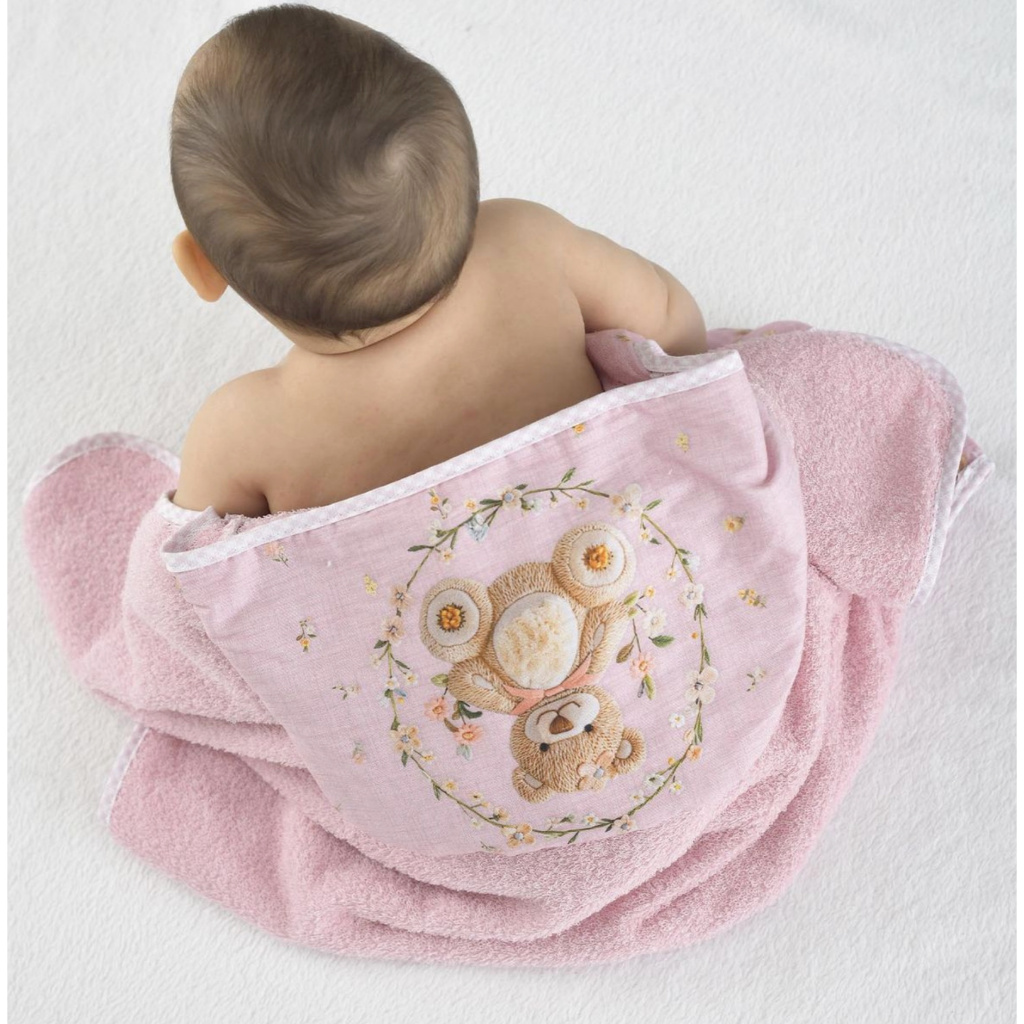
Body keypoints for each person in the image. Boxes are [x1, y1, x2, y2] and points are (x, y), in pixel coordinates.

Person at [169, 4, 708, 518]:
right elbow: (673, 329)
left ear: (202, 268)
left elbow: (192, 564)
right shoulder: (529, 242)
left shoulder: (242, 430)